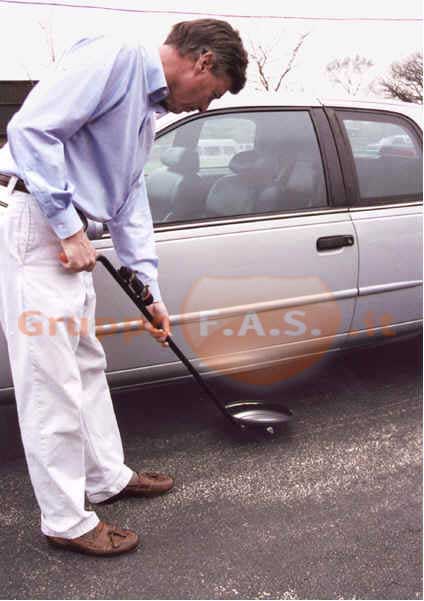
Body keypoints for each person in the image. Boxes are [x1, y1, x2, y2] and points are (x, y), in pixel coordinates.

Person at [0, 19, 248, 557]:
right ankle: (65, 520)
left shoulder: (146, 111)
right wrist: (67, 228)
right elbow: (31, 131)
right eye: (213, 93)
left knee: (86, 363)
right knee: (50, 380)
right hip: (39, 225)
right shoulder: (114, 57)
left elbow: (129, 197)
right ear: (203, 61)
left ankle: (104, 477)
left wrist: (148, 291)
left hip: (69, 236)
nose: (204, 106)